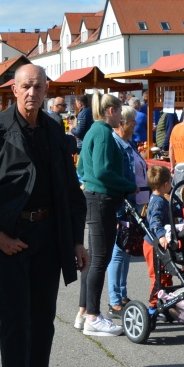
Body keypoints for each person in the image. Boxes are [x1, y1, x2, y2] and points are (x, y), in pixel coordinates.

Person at [0, 64, 88, 367]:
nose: (32, 93)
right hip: (11, 238)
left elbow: (72, 191)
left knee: (43, 321)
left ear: (47, 90)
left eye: (38, 87)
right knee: (15, 322)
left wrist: (76, 240)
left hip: (48, 236)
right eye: (26, 87)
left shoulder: (54, 130)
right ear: (15, 90)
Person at [73, 93, 135, 337]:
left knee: (93, 259)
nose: (121, 115)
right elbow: (101, 171)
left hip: (96, 198)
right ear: (110, 110)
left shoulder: (94, 131)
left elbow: (81, 168)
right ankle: (93, 316)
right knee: (100, 259)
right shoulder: (103, 133)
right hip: (102, 200)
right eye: (119, 111)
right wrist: (127, 185)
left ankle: (83, 311)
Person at [106, 104, 148, 317]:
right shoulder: (117, 144)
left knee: (125, 251)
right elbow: (118, 178)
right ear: (123, 123)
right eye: (133, 122)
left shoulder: (128, 143)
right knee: (118, 253)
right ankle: (114, 300)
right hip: (123, 205)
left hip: (133, 205)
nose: (135, 125)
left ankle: (121, 295)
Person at [142, 163, 173, 306]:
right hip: (153, 244)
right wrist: (161, 235)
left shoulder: (160, 199)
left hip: (158, 244)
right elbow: (155, 222)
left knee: (166, 274)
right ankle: (153, 305)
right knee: (158, 276)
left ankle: (165, 300)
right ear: (166, 184)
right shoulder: (158, 202)